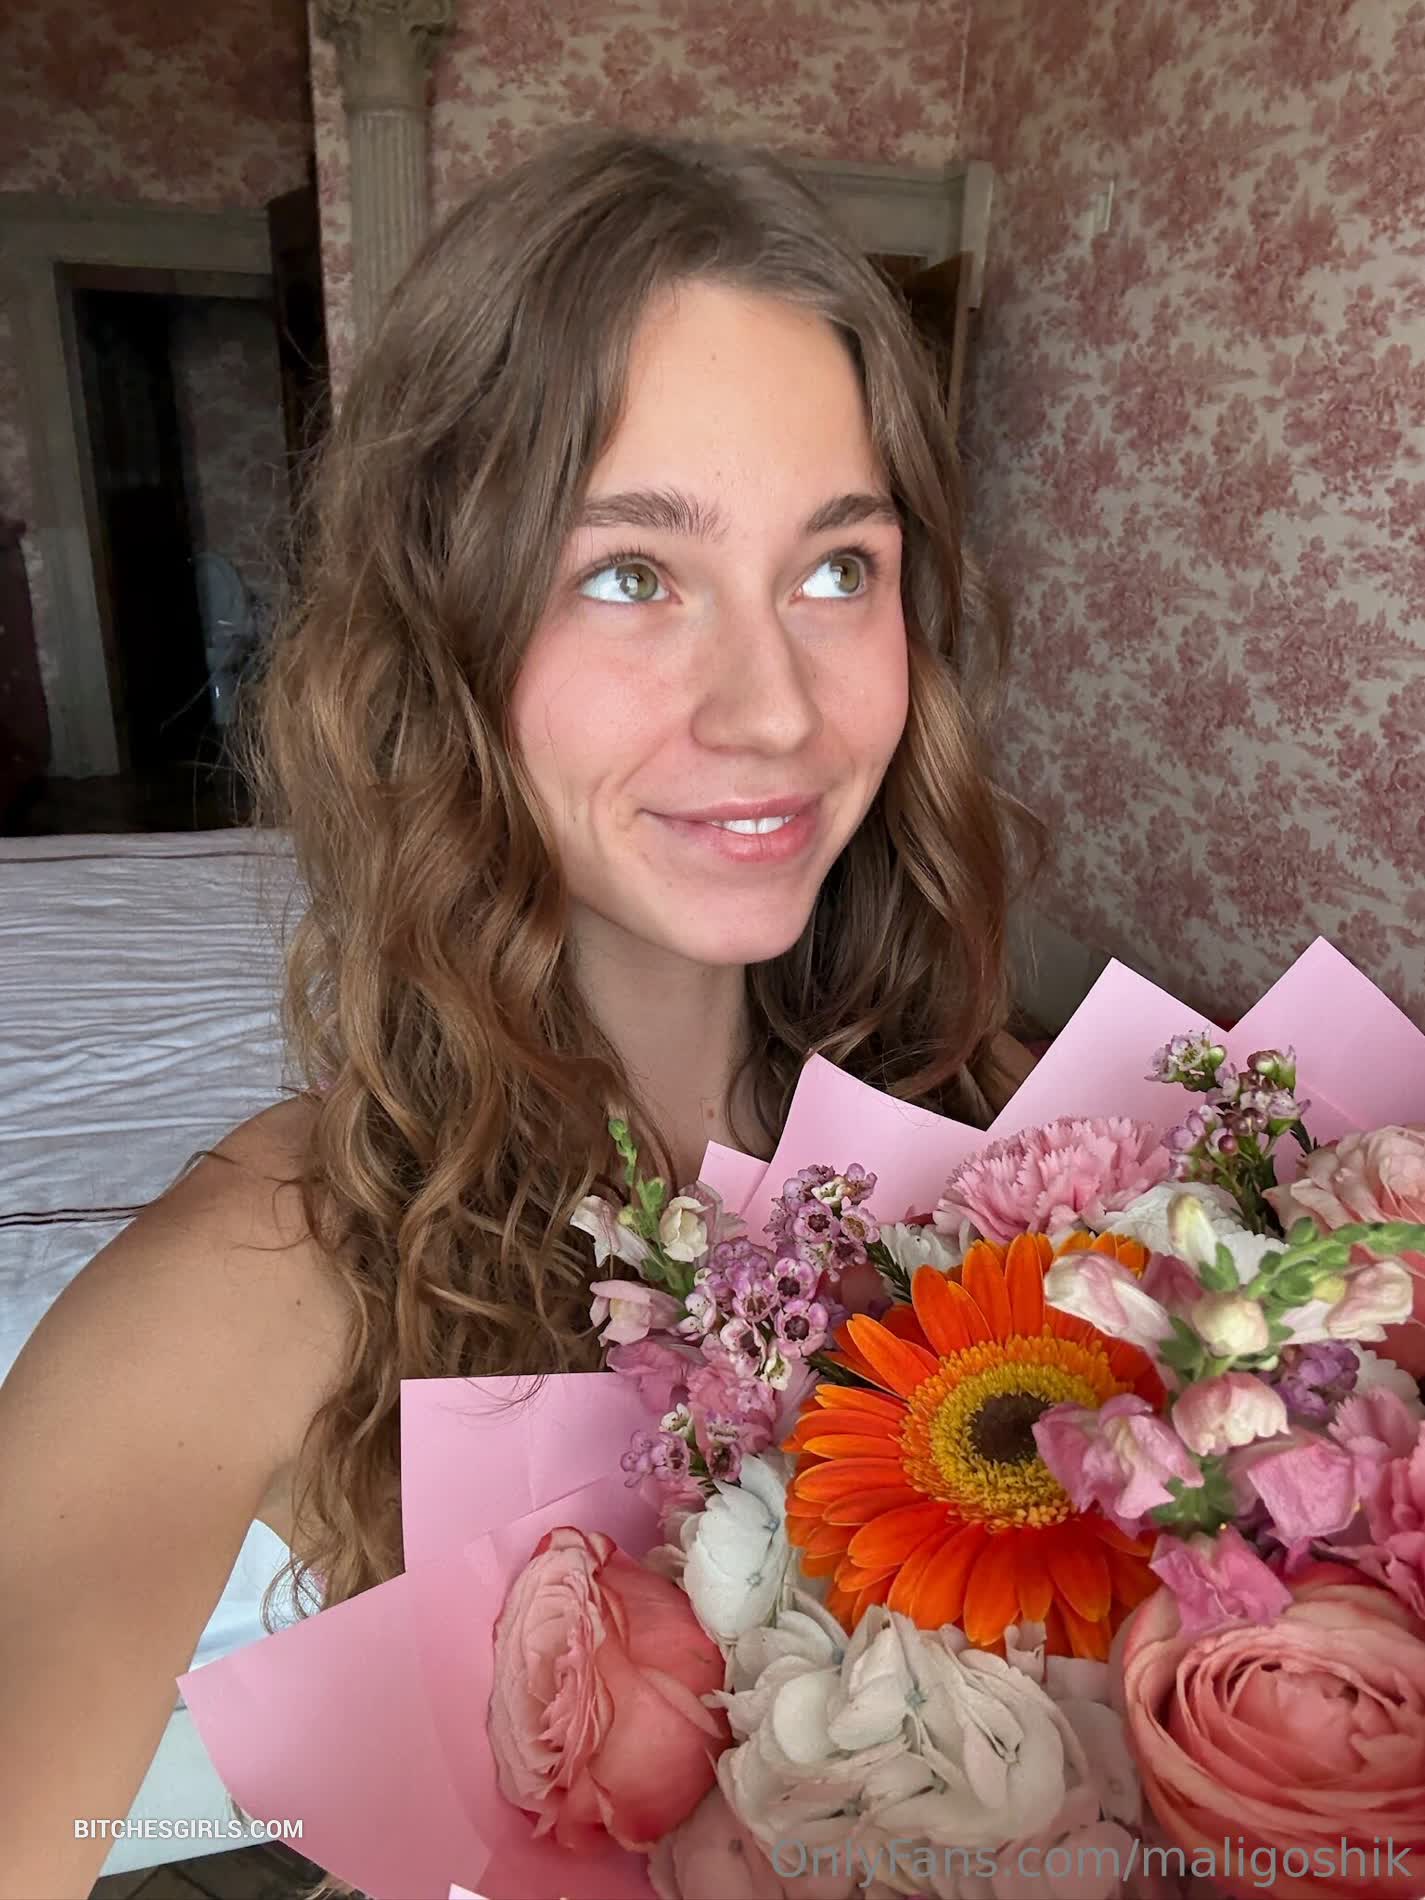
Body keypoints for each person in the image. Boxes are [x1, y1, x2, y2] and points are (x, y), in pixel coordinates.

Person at [0, 127, 1041, 1898]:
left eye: (835, 568)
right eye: (628, 573)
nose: (775, 712)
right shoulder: (258, 1274)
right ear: (441, 633)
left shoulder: (991, 1123)